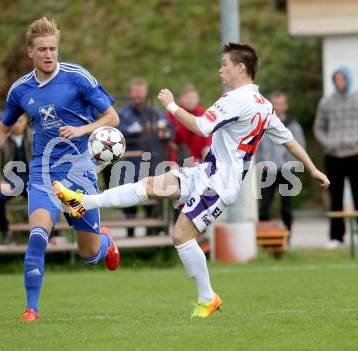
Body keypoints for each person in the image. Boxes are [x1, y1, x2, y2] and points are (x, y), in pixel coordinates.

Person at [54, 43, 330, 318]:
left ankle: (207, 297)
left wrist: (171, 105)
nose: (220, 69)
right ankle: (84, 201)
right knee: (151, 185)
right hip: (206, 172)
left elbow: (201, 127)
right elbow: (289, 141)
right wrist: (313, 168)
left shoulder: (235, 100)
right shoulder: (263, 105)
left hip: (219, 184)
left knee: (181, 235)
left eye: (224, 64)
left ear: (241, 67)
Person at [0, 17, 120, 322]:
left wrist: (82, 130)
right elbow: (3, 128)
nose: (49, 54)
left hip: (79, 172)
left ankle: (105, 241)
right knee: (38, 234)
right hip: (43, 173)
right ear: (30, 53)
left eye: (53, 48)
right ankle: (31, 309)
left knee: (89, 255)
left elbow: (112, 118)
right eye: (42, 49)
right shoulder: (21, 90)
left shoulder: (78, 78)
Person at [116, 77, 173, 237]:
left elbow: (168, 131)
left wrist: (159, 131)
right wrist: (142, 130)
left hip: (153, 165)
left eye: (141, 94)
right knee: (129, 202)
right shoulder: (123, 114)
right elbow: (118, 133)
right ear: (129, 94)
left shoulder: (155, 112)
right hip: (129, 166)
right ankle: (130, 234)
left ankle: (154, 234)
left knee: (155, 203)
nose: (138, 97)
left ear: (146, 93)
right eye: (135, 94)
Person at [313, 66, 358, 249]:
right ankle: (336, 237)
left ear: (348, 80)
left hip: (355, 154)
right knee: (335, 196)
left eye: (342, 79)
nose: (340, 82)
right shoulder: (326, 102)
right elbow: (318, 127)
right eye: (336, 79)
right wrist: (328, 143)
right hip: (333, 156)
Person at [257, 91, 306, 233]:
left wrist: (290, 164)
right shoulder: (263, 124)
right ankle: (265, 239)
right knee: (264, 206)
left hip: (287, 170)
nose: (278, 107)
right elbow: (256, 146)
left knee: (286, 207)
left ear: (286, 106)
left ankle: (288, 237)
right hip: (268, 169)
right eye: (275, 104)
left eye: (281, 104)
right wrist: (262, 162)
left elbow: (300, 146)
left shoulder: (293, 125)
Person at [0, 115, 32, 245]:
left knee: (50, 193)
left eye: (20, 121)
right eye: (14, 121)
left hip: (32, 178)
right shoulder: (0, 138)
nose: (17, 124)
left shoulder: (34, 136)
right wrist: (0, 182)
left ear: (26, 121)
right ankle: (5, 231)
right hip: (9, 180)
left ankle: (49, 232)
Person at [166, 84, 211, 164]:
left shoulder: (203, 113)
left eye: (194, 98)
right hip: (178, 159)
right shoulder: (172, 114)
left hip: (199, 160)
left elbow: (208, 139)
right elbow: (168, 140)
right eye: (188, 98)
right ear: (181, 98)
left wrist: (205, 159)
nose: (191, 101)